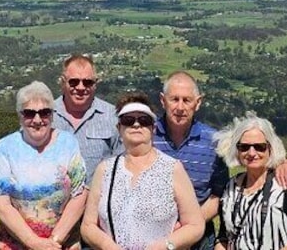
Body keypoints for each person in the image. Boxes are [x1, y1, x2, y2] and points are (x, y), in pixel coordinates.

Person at [81, 92, 205, 250]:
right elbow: (88, 226)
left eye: (144, 120)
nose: (136, 125)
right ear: (119, 128)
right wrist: (108, 246)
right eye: (128, 120)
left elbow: (195, 225)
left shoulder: (172, 168)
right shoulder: (105, 169)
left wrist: (165, 245)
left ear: (153, 128)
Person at [0, 80, 88, 249]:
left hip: (62, 243)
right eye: (29, 113)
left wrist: (54, 241)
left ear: (52, 114)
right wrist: (33, 242)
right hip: (14, 243)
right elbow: (1, 203)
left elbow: (79, 194)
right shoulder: (6, 147)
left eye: (44, 113)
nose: (37, 119)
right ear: (20, 115)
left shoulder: (68, 143)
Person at [213, 113, 287, 250]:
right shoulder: (231, 188)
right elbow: (224, 237)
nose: (251, 153)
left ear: (271, 148)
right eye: (244, 147)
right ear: (236, 150)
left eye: (259, 147)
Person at [153, 71, 229, 250]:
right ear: (163, 101)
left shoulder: (215, 142)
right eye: (174, 99)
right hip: (153, 237)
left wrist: (187, 228)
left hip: (199, 240)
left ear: (198, 103)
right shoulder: (146, 136)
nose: (180, 107)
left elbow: (219, 195)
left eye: (187, 100)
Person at [53, 54, 122, 185]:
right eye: (73, 82)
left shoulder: (113, 117)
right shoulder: (44, 116)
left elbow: (124, 164)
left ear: (95, 84)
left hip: (98, 202)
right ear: (63, 82)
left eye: (87, 82)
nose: (80, 87)